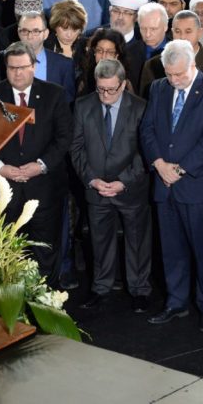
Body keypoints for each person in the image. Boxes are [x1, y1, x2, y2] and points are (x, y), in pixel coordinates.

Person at [140, 39, 203, 332]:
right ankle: (176, 302)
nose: (175, 80)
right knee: (171, 249)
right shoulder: (158, 88)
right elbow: (148, 129)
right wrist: (158, 163)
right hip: (164, 184)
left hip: (197, 186)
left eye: (180, 74)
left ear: (193, 64)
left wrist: (179, 168)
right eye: (170, 74)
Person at [0, 42, 73, 286]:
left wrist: (40, 165)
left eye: (22, 67)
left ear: (34, 66)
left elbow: (64, 138)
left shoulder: (54, 94)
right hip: (3, 190)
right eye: (12, 68)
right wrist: (0, 167)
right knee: (6, 253)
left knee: (45, 251)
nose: (17, 73)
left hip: (44, 188)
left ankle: (45, 302)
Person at [71, 59, 152, 312]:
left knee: (137, 242)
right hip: (96, 188)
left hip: (130, 189)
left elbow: (145, 152)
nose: (105, 95)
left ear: (123, 84)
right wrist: (92, 179)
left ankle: (139, 289)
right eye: (100, 89)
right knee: (99, 241)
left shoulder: (140, 108)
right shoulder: (83, 106)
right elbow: (76, 148)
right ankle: (101, 288)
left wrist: (122, 182)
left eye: (111, 89)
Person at [139, 10, 203, 101]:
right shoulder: (152, 65)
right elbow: (146, 106)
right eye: (177, 31)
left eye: (188, 31)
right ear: (172, 33)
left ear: (199, 33)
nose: (182, 37)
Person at [80, 27, 131, 95]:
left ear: (117, 55)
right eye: (99, 51)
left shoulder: (125, 83)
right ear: (94, 52)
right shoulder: (84, 78)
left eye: (110, 52)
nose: (103, 56)